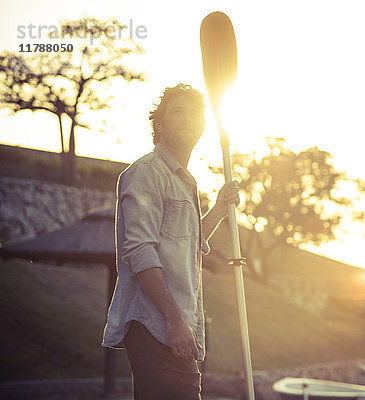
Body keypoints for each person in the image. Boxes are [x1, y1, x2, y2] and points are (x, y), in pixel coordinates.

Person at [102, 83, 239, 400]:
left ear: (203, 127)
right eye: (178, 111)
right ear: (159, 125)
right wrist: (175, 322)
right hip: (156, 325)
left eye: (195, 113)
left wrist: (217, 210)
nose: (188, 118)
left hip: (174, 325)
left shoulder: (184, 180)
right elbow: (140, 251)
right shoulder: (147, 172)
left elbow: (186, 245)